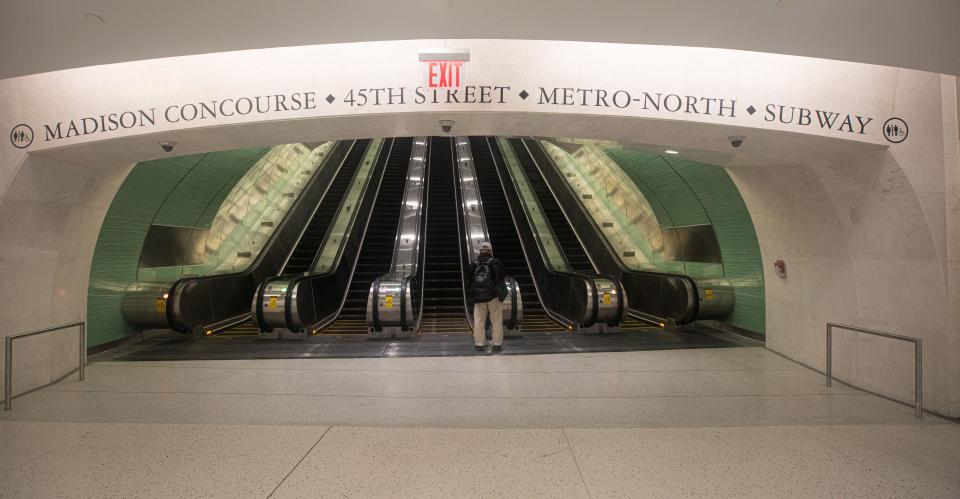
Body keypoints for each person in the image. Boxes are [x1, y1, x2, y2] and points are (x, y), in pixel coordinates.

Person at [467, 241, 507, 352]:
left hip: (479, 297)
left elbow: (468, 279)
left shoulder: (474, 264)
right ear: (490, 251)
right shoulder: (496, 262)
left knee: (479, 320)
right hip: (494, 296)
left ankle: (479, 344)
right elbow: (503, 275)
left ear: (480, 251)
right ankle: (497, 344)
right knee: (496, 320)